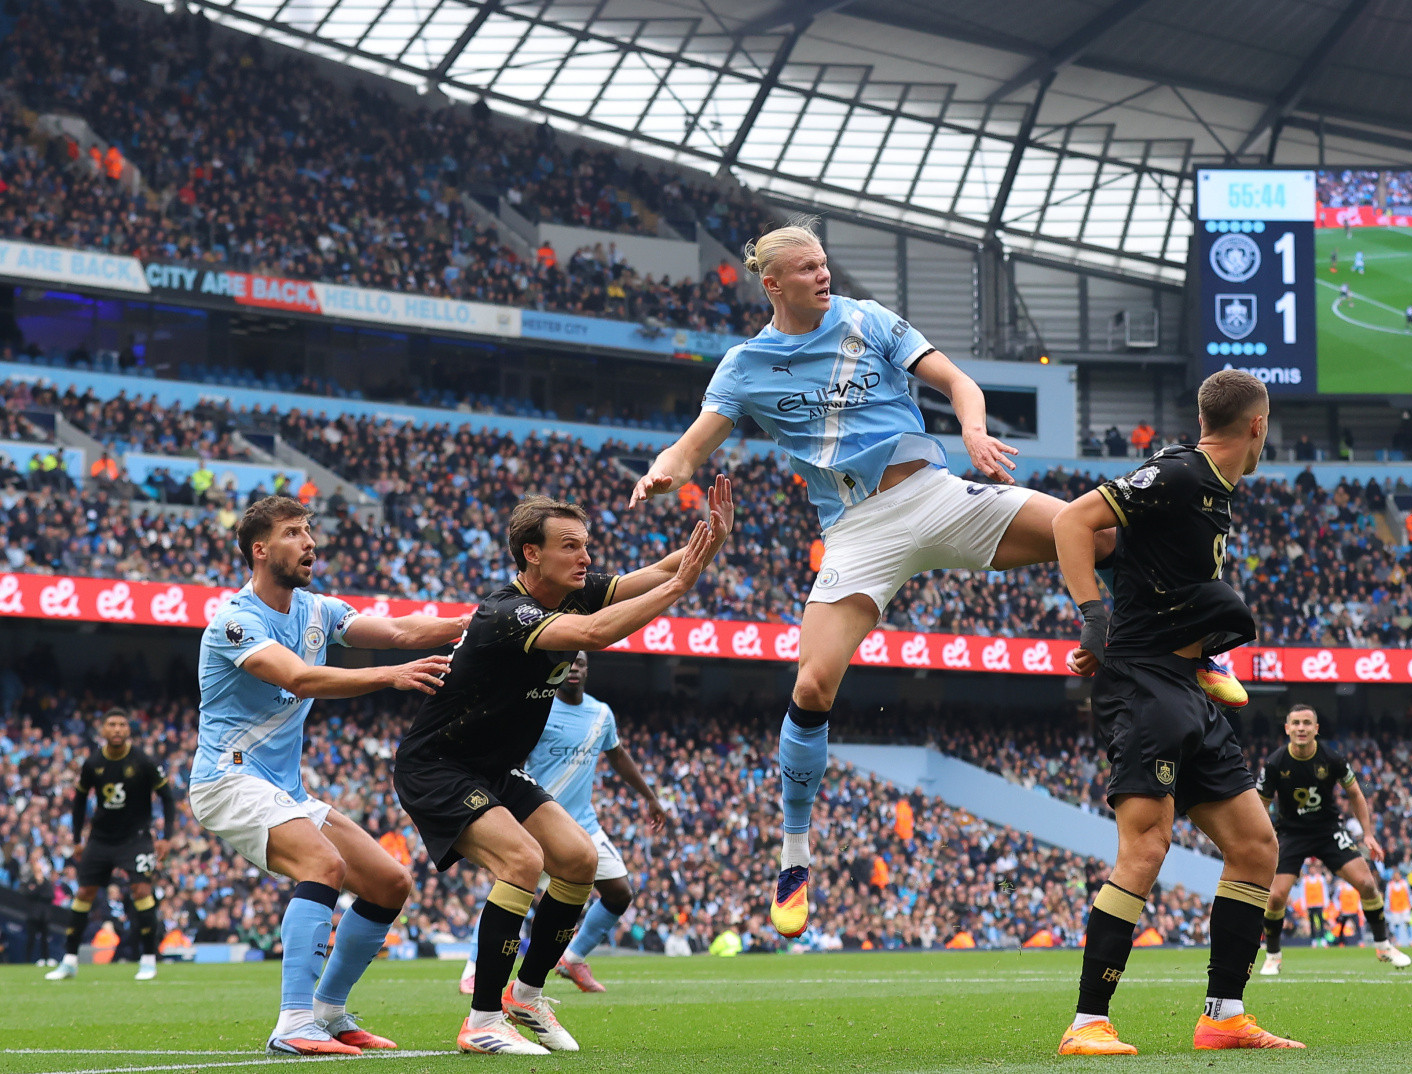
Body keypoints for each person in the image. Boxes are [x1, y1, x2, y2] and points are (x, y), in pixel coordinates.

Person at [629, 220, 1179, 940]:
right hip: (858, 531)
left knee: (1098, 532)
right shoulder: (745, 365)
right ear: (773, 283)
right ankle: (794, 855)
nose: (823, 275)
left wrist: (973, 429)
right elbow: (692, 446)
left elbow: (956, 381)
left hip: (936, 494)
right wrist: (665, 473)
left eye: (824, 263)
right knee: (811, 686)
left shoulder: (867, 320)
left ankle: (1188, 646)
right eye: (808, 268)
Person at [395, 490, 729, 1055]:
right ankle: (482, 1021)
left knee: (578, 859)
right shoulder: (507, 613)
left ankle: (526, 996)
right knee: (522, 861)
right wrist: (679, 588)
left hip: (494, 768)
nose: (585, 557)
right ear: (531, 553)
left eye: (586, 546)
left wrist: (710, 539)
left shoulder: (574, 592)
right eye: (570, 546)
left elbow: (653, 573)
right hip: (439, 766)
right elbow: (594, 634)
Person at [1054, 369, 1304, 1055]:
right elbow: (1072, 520)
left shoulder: (1212, 491)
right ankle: (1087, 1023)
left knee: (1255, 846)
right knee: (1146, 845)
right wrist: (1093, 617)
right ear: (1257, 425)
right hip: (1142, 680)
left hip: (1186, 686)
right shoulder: (1180, 474)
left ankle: (1224, 1015)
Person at [190, 496, 467, 1055]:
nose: (310, 541)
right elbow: (299, 678)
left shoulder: (317, 610)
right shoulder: (235, 622)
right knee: (324, 864)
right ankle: (293, 1023)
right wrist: (390, 677)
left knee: (389, 882)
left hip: (282, 788)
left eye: (309, 530)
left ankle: (328, 1012)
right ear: (260, 549)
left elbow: (400, 632)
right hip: (227, 779)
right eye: (294, 532)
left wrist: (474, 624)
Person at [456, 653, 672, 995]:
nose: (574, 668)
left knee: (619, 893)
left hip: (583, 825)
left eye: (580, 663)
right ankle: (473, 969)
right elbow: (512, 760)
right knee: (511, 892)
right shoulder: (538, 709)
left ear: (587, 669)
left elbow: (617, 755)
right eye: (568, 662)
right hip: (538, 822)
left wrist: (650, 797)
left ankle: (572, 958)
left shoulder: (600, 714)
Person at [1255, 704, 1412, 974]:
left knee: (1367, 883)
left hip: (1328, 830)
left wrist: (1368, 834)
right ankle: (1273, 956)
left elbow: (1355, 793)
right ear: (1287, 728)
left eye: (1307, 723)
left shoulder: (1332, 758)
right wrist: (1263, 839)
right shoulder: (1275, 763)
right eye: (1296, 723)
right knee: (1277, 896)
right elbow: (1260, 804)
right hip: (1291, 833)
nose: (1301, 728)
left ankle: (1384, 946)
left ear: (1316, 729)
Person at [44, 709, 175, 983]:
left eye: (122, 725)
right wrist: (77, 839)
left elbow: (167, 797)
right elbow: (80, 800)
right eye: (112, 724)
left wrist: (166, 836)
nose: (117, 729)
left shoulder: (142, 761)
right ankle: (69, 961)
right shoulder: (93, 762)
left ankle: (148, 960)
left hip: (136, 838)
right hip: (101, 838)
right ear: (103, 729)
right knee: (84, 892)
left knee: (141, 890)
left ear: (128, 729)